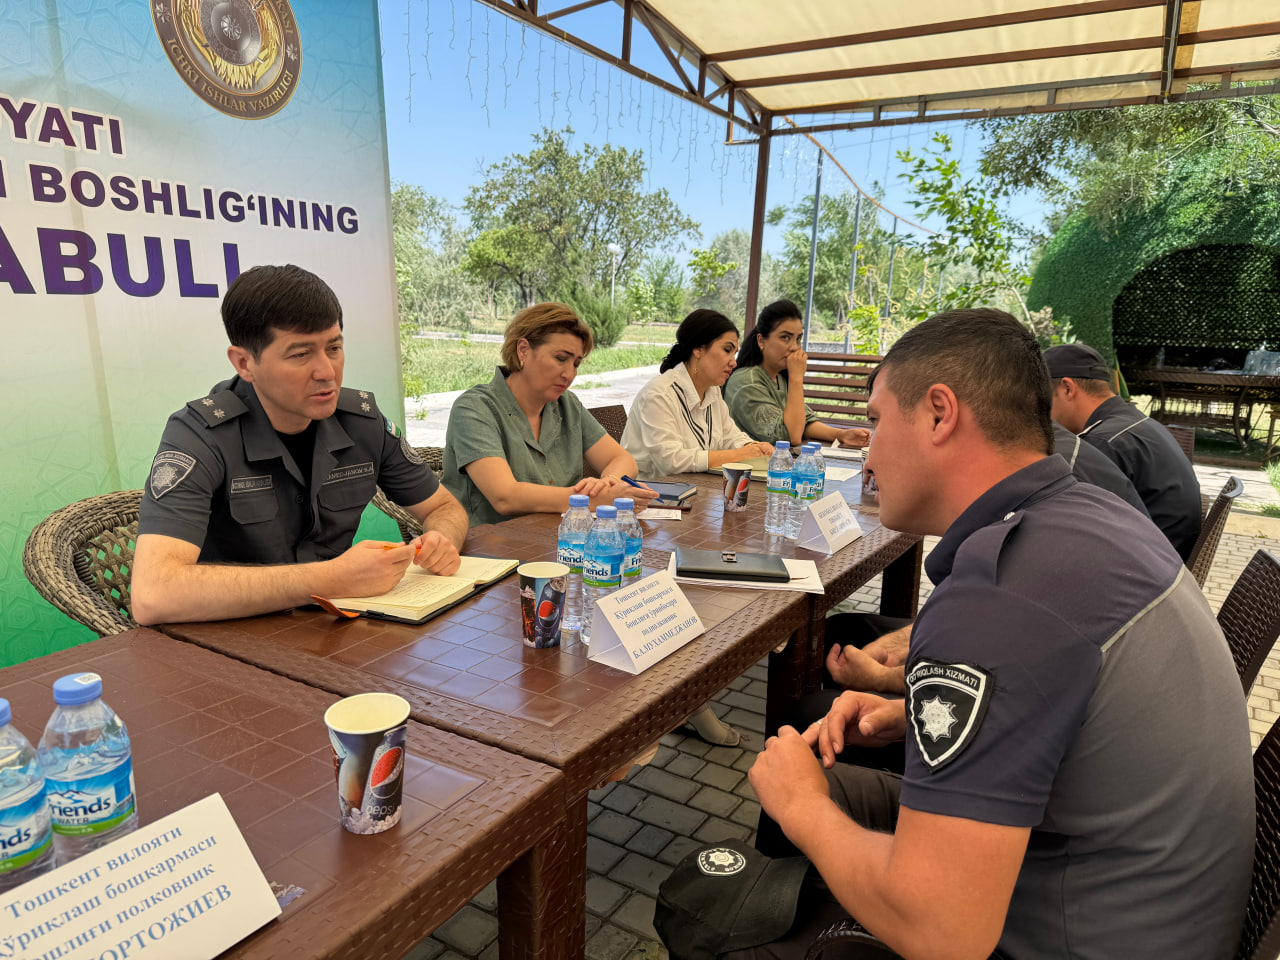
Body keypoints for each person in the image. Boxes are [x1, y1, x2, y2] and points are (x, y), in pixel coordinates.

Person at [715, 309, 1254, 960]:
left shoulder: (1000, 595)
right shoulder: (1085, 515)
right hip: (1139, 898)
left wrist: (801, 805)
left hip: (1067, 929)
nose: (868, 452)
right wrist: (908, 714)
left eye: (878, 421)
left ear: (940, 414)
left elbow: (939, 931)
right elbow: (1052, 693)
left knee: (732, 910)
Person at [132, 264, 468, 625]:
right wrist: (329, 579)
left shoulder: (363, 421)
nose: (327, 372)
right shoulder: (200, 434)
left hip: (338, 630)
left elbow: (444, 507)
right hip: (231, 637)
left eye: (334, 347)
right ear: (244, 363)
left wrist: (441, 540)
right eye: (300, 355)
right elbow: (153, 595)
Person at [442, 302, 658, 526]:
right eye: (561, 359)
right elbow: (505, 497)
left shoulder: (567, 405)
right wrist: (594, 500)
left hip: (559, 538)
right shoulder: (474, 409)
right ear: (523, 350)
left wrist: (609, 483)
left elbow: (623, 459)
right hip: (488, 543)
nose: (569, 374)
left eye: (576, 364)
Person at [1043, 342, 1202, 560]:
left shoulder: (1102, 443)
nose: (1041, 413)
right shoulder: (1135, 422)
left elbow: (1075, 526)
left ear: (1067, 389)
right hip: (1169, 557)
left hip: (1148, 564)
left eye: (1042, 400)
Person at [621, 309, 775, 477]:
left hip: (696, 487)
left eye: (734, 353)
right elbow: (671, 461)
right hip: (651, 490)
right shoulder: (659, 394)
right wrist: (740, 454)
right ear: (699, 349)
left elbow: (730, 436)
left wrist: (753, 447)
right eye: (727, 350)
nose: (733, 362)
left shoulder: (712, 391)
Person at [724, 299, 870, 449]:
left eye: (798, 339)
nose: (795, 347)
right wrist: (796, 379)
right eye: (785, 337)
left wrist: (841, 435)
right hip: (746, 462)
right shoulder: (747, 382)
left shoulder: (779, 377)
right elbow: (790, 436)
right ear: (761, 341)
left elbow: (803, 422)